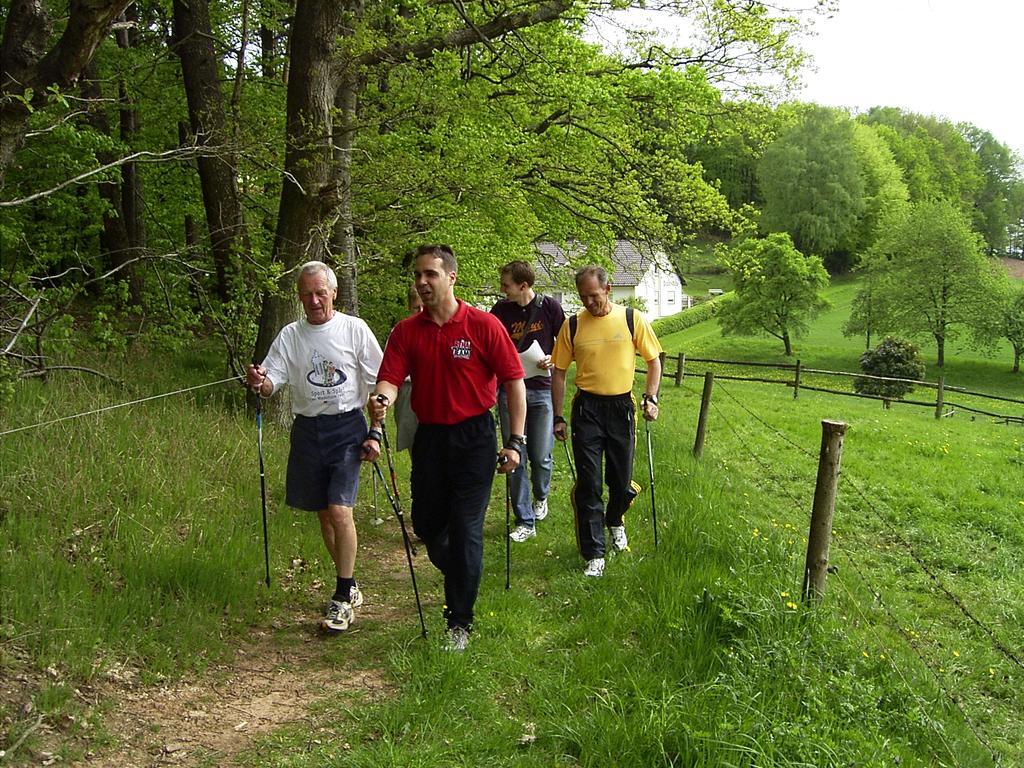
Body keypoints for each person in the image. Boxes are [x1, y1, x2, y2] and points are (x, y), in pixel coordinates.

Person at [370, 244, 526, 652]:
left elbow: (514, 382)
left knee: (466, 528)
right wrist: (381, 400)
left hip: (474, 438)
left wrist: (515, 441)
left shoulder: (483, 325)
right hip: (431, 440)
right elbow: (389, 378)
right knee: (427, 526)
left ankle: (459, 621)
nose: (422, 282)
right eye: (418, 275)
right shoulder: (406, 331)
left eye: (430, 274)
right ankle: (464, 573)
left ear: (451, 277)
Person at [246, 261, 383, 631]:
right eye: (307, 294)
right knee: (324, 514)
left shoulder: (354, 330)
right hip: (307, 430)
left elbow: (380, 381)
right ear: (299, 297)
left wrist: (376, 429)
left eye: (321, 292)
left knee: (340, 511)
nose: (314, 300)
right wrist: (261, 383)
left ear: (334, 292)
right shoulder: (291, 335)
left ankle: (341, 596)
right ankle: (349, 583)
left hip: (347, 426)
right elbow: (273, 379)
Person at [550, 265, 662, 578]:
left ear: (608, 289)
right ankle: (594, 553)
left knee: (621, 481)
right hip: (587, 409)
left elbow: (654, 361)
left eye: (594, 296)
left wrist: (651, 397)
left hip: (621, 408)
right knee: (589, 484)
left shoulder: (631, 319)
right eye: (583, 297)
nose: (589, 303)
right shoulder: (572, 326)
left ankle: (615, 520)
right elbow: (558, 372)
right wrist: (558, 417)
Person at [490, 260, 565, 542]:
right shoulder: (499, 311)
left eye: (506, 285)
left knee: (541, 455)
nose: (502, 289)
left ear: (523, 286)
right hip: (510, 390)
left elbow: (566, 342)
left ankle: (541, 496)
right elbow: (489, 343)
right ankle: (524, 518)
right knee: (515, 455)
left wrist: (553, 358)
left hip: (542, 388)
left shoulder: (549, 307)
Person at [394, 285, 422, 452]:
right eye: (416, 307)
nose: (420, 310)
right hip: (407, 392)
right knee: (415, 446)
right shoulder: (402, 331)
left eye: (424, 306)